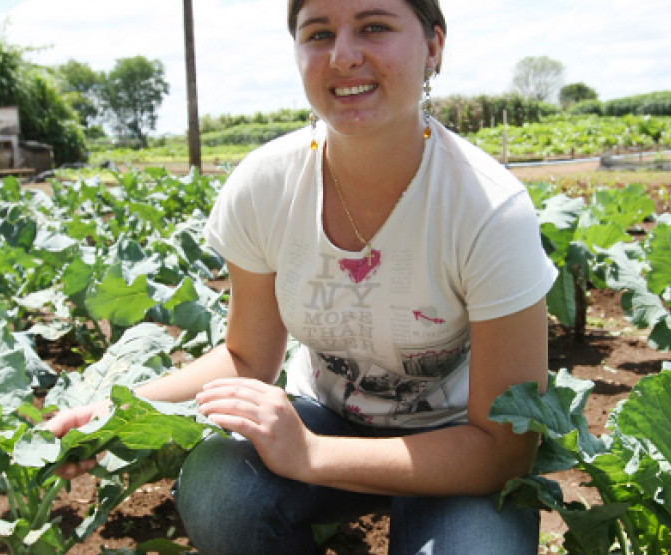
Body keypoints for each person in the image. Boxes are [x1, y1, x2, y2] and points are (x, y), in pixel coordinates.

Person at [45, 0, 558, 553]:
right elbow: (246, 357)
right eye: (318, 33)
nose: (342, 55)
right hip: (327, 416)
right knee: (221, 491)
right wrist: (117, 411)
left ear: (433, 46)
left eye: (374, 27)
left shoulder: (487, 208)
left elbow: (501, 449)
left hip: (459, 446)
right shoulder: (265, 187)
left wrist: (310, 455)